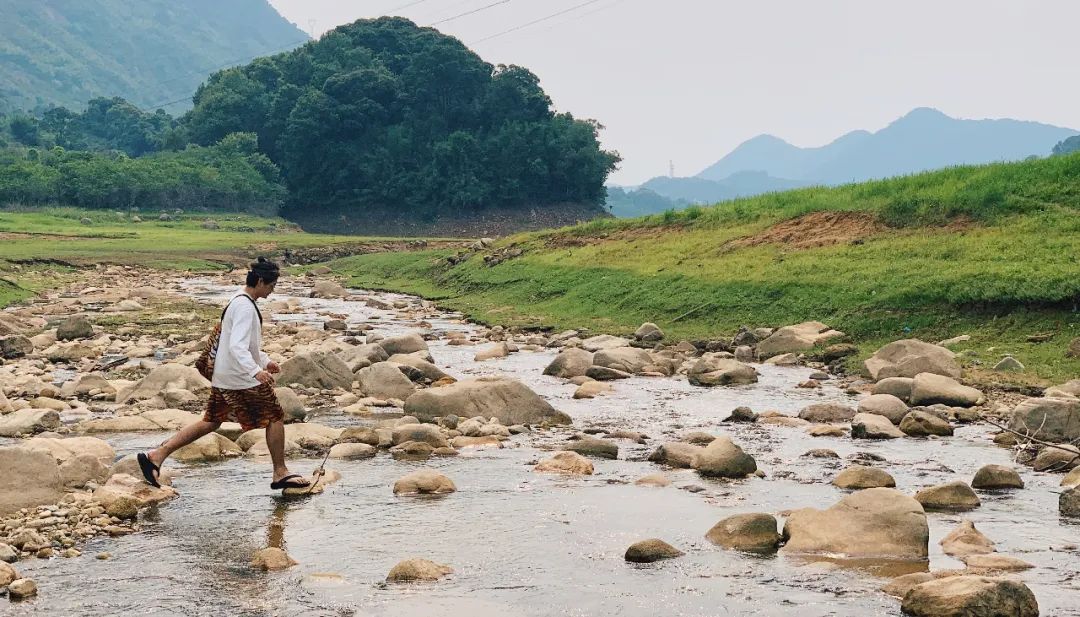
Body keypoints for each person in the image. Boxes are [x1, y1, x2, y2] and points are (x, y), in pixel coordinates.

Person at [137, 258, 310, 491]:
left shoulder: (238, 300)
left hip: (224, 376)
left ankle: (156, 456)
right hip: (239, 378)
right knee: (275, 417)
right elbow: (237, 346)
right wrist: (256, 371)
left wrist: (266, 361)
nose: (272, 291)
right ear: (260, 281)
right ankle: (280, 472)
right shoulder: (246, 307)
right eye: (271, 286)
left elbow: (244, 344)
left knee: (211, 421)